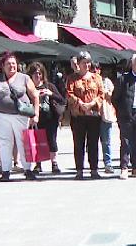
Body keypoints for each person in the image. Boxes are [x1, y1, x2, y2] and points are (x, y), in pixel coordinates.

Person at [0, 53, 39, 181]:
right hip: (1, 115)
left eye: (14, 63)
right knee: (4, 143)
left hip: (21, 115)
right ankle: (6, 171)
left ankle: (28, 170)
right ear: (3, 66)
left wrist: (35, 114)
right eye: (8, 64)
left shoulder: (24, 78)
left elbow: (35, 95)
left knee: (23, 142)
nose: (12, 66)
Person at [65, 52, 105, 180]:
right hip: (78, 115)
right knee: (78, 143)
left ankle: (94, 169)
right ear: (79, 64)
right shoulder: (72, 78)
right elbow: (69, 93)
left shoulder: (96, 78)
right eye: (84, 63)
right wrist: (81, 104)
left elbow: (101, 94)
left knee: (93, 143)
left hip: (93, 114)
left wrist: (92, 103)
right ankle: (79, 170)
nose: (87, 65)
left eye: (88, 62)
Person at [29, 62, 64, 175]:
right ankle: (38, 164)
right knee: (37, 142)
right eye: (34, 73)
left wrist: (50, 93)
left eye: (39, 73)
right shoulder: (29, 88)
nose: (37, 75)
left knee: (52, 141)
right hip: (34, 119)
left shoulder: (49, 86)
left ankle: (54, 163)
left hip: (50, 118)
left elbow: (62, 100)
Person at [98, 65, 117, 175]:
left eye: (97, 69)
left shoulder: (106, 81)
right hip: (94, 114)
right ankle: (94, 164)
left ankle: (108, 163)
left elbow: (112, 96)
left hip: (105, 113)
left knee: (106, 141)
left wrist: (106, 92)